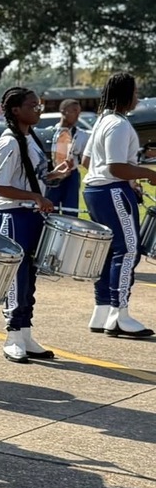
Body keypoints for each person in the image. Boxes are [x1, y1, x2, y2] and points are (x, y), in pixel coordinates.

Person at [0, 87, 72, 362]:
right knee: (16, 275)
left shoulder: (30, 138)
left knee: (30, 275)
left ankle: (25, 331)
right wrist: (35, 196)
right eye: (33, 105)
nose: (38, 109)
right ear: (16, 110)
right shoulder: (9, 142)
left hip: (30, 214)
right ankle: (12, 335)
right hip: (12, 215)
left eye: (39, 105)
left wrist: (52, 176)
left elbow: (30, 178)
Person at [82, 72, 156, 338]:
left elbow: (86, 160)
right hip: (112, 191)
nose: (137, 97)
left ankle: (102, 310)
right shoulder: (119, 124)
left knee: (109, 252)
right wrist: (147, 174)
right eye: (135, 92)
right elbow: (115, 167)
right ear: (125, 95)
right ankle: (120, 314)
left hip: (95, 190)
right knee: (127, 251)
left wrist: (131, 176)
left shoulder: (103, 121)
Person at [44, 99, 89, 215]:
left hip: (71, 177)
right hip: (52, 175)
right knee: (48, 210)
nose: (77, 115)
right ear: (63, 111)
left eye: (79, 112)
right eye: (74, 111)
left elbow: (86, 159)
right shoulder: (49, 133)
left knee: (71, 211)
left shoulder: (82, 135)